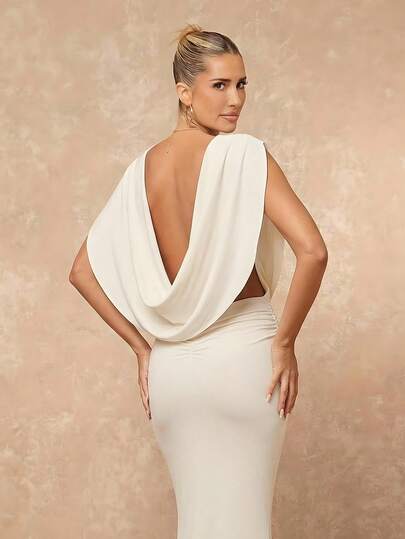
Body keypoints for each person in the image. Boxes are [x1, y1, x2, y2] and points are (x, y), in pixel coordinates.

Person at [69, 24, 328, 539]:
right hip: (244, 362)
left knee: (198, 525)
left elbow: (81, 271)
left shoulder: (141, 171)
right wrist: (284, 342)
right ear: (184, 93)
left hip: (173, 376)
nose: (236, 100)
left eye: (242, 84)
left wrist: (142, 350)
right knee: (246, 524)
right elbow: (313, 251)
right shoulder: (242, 154)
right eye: (220, 85)